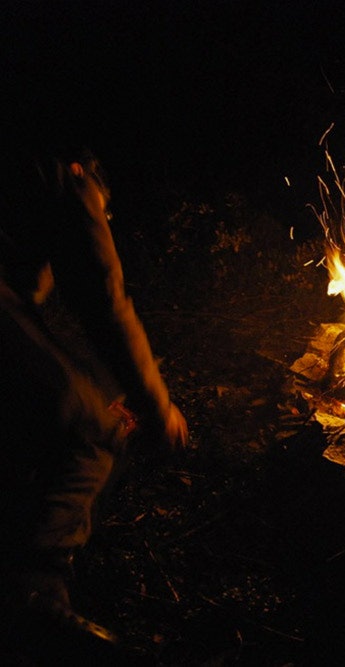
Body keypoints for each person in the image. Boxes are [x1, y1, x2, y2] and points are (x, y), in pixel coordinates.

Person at [0, 143, 189, 653]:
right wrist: (156, 406)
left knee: (67, 402)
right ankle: (33, 596)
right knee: (95, 424)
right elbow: (105, 302)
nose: (102, 218)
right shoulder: (72, 183)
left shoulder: (27, 170)